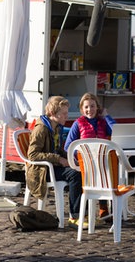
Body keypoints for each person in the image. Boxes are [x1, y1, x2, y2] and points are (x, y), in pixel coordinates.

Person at [26, 95, 85, 228]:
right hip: (42, 171)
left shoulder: (57, 127)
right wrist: (58, 159)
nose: (66, 116)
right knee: (75, 175)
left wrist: (71, 158)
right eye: (63, 113)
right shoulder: (41, 129)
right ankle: (74, 216)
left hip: (52, 167)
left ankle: (83, 213)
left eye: (66, 113)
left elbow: (57, 149)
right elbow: (32, 155)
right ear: (53, 113)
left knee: (80, 169)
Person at [64, 93, 116, 221]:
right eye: (86, 107)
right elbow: (68, 146)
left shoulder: (103, 122)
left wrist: (106, 116)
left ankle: (105, 207)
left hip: (102, 160)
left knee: (109, 172)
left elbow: (116, 131)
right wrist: (80, 156)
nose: (89, 110)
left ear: (97, 107)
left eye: (92, 106)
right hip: (85, 163)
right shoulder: (78, 124)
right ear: (82, 109)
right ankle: (84, 212)